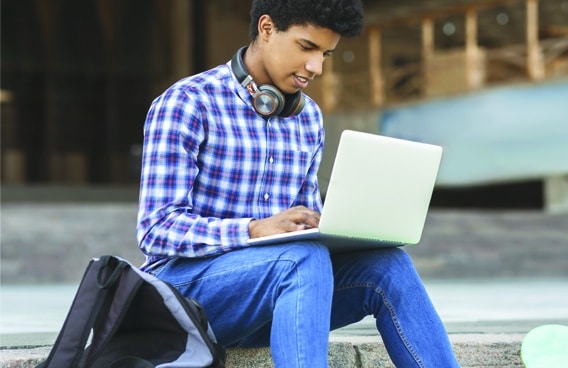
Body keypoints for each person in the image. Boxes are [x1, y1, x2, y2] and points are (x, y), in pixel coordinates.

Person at [136, 0, 460, 367]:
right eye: (307, 47)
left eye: (326, 54)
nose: (316, 67)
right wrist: (255, 230)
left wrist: (336, 228)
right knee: (300, 258)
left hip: (274, 295)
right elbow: (156, 231)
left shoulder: (308, 120)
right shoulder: (187, 102)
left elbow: (305, 223)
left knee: (389, 266)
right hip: (186, 298)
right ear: (267, 28)